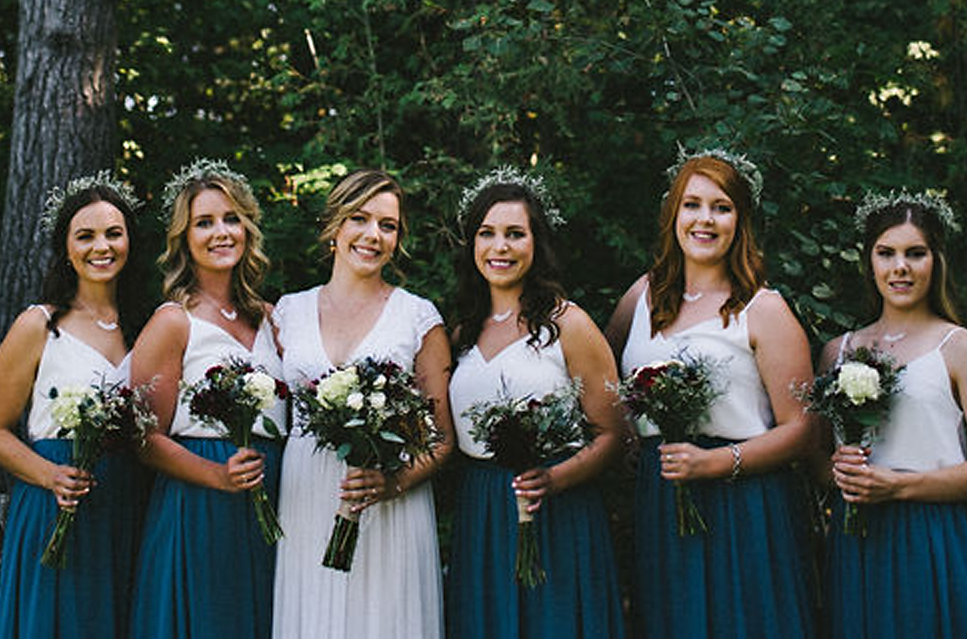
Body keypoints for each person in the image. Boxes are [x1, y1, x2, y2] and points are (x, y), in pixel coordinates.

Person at [606, 151, 816, 639]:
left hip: (744, 502)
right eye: (691, 205)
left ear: (739, 221)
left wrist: (714, 464)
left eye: (720, 207)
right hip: (663, 498)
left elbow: (803, 429)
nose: (704, 219)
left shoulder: (764, 309)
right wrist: (630, 439)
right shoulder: (642, 296)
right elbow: (606, 383)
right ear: (673, 215)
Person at [820, 193, 967, 638]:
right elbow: (815, 460)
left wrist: (901, 486)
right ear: (869, 261)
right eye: (886, 253)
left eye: (915, 253)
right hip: (858, 541)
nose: (900, 267)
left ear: (936, 261)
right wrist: (838, 472)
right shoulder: (839, 351)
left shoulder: (964, 349)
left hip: (934, 536)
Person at [271, 168, 451, 639]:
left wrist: (391, 483)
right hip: (307, 497)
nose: (373, 235)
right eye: (359, 218)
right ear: (334, 225)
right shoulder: (286, 312)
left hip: (390, 506)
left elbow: (443, 439)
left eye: (387, 225)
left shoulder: (418, 317)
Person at [445, 168, 625, 639]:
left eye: (514, 234)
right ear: (472, 244)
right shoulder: (462, 332)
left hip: (556, 505)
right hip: (481, 509)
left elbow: (613, 432)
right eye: (487, 234)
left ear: (535, 243)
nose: (499, 247)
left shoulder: (569, 324)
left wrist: (556, 477)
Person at [129, 161, 286, 638]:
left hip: (273, 496)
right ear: (184, 237)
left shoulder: (273, 318)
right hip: (200, 502)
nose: (222, 232)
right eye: (205, 222)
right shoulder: (173, 322)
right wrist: (216, 475)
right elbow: (141, 436)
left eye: (231, 219)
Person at [0, 174, 144, 639]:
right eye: (86, 235)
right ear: (67, 248)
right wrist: (50, 475)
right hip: (55, 496)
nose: (102, 246)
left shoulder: (146, 327)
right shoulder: (39, 325)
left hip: (124, 500)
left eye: (114, 233)